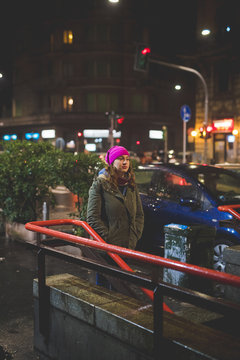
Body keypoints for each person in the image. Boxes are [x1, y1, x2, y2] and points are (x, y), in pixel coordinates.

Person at [87, 145, 144, 250]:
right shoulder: (101, 183)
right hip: (108, 249)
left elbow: (139, 214)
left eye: (127, 159)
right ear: (112, 162)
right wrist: (109, 239)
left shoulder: (130, 184)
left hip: (129, 246)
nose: (125, 162)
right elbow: (92, 218)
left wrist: (135, 235)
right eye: (120, 159)